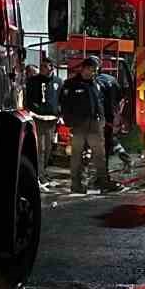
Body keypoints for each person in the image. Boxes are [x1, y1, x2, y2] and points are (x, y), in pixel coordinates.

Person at [58, 57, 110, 194]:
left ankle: (103, 183)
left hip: (95, 125)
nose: (93, 73)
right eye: (92, 70)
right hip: (79, 126)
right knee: (77, 156)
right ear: (84, 68)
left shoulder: (95, 83)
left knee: (99, 155)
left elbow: (99, 103)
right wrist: (70, 122)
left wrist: (102, 120)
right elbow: (64, 105)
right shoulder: (71, 84)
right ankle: (76, 184)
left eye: (95, 70)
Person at [24, 60, 61, 187]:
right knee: (40, 148)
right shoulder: (33, 81)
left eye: (45, 66)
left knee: (49, 147)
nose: (42, 68)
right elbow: (28, 99)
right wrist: (35, 109)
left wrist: (59, 113)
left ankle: (43, 172)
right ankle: (39, 175)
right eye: (41, 66)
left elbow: (60, 98)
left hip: (52, 119)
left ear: (52, 68)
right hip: (38, 118)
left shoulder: (58, 81)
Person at [95, 66, 132, 174]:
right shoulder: (112, 80)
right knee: (111, 138)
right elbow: (120, 97)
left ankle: (99, 171)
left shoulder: (96, 82)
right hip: (112, 114)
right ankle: (126, 160)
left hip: (102, 115)